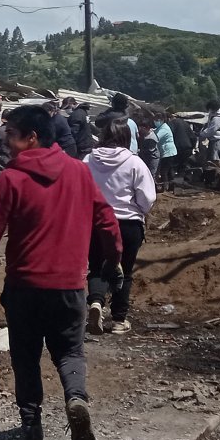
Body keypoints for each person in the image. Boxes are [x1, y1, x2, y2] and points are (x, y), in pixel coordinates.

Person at [0, 104, 121, 440]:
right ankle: (76, 399)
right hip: (70, 287)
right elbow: (106, 220)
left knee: (26, 358)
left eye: (12, 135)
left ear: (32, 138)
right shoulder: (78, 172)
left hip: (24, 288)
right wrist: (112, 261)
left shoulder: (11, 179)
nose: (6, 142)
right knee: (70, 352)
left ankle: (32, 432)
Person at [84, 117, 156, 336]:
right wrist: (140, 211)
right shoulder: (134, 162)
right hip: (128, 224)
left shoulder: (88, 159)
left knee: (96, 266)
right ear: (127, 137)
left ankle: (96, 303)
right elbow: (147, 197)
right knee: (124, 270)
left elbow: (79, 188)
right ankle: (118, 320)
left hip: (95, 222)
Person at [153, 109, 177, 189]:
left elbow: (156, 137)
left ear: (162, 120)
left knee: (164, 171)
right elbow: (155, 132)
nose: (155, 122)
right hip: (167, 152)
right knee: (168, 170)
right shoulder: (161, 128)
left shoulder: (164, 128)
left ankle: (165, 187)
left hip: (168, 152)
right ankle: (171, 185)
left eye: (157, 120)